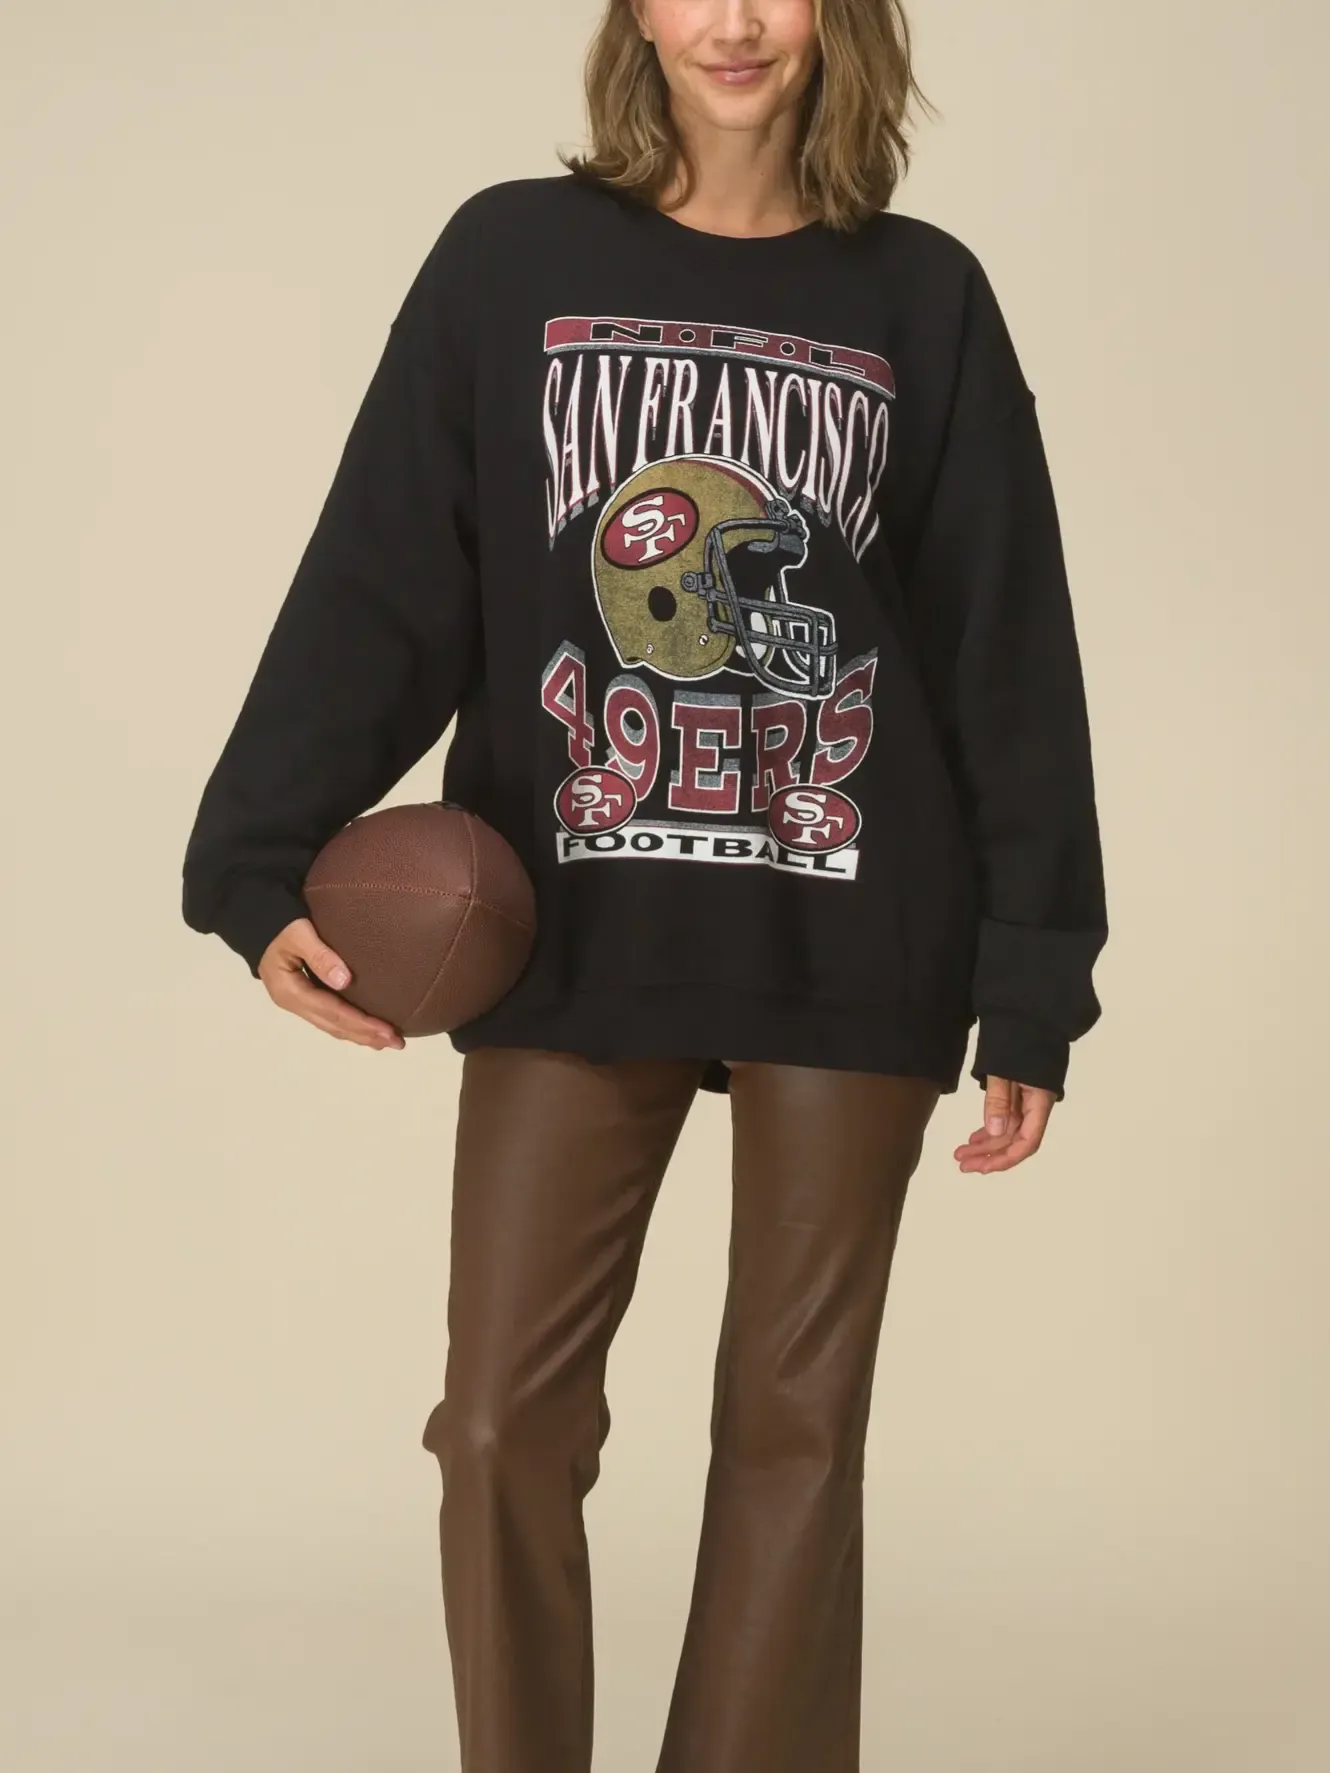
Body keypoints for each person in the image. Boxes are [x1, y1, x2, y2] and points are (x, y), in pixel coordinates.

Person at [181, 2, 1108, 1768]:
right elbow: (389, 572)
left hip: (855, 914)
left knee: (793, 1436)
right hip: (569, 917)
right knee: (498, 1429)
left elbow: (1003, 648)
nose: (734, 21)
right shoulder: (508, 259)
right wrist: (251, 860)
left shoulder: (924, 294)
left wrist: (1033, 974)